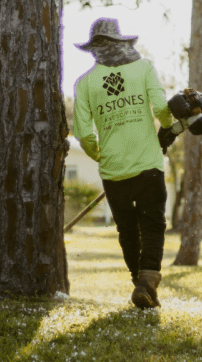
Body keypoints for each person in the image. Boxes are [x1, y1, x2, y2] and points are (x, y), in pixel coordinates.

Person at [72, 17, 173, 308]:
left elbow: (83, 133)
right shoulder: (143, 67)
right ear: (121, 43)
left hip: (114, 172)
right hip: (148, 165)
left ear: (94, 50)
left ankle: (141, 286)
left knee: (127, 229)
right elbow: (162, 108)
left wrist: (102, 157)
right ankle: (146, 282)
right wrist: (168, 126)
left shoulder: (85, 83)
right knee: (152, 225)